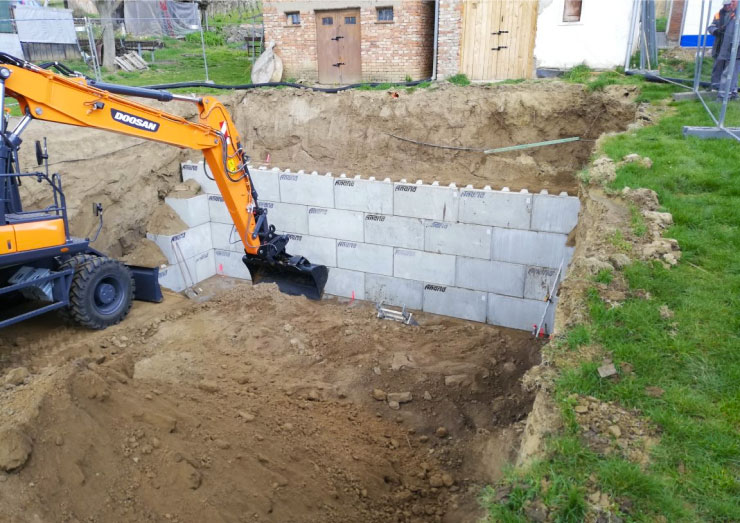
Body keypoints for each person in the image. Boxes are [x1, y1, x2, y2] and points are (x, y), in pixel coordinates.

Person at [708, 0, 737, 90]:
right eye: (726, 5)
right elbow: (711, 26)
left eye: (729, 5)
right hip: (719, 45)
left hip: (731, 47)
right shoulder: (718, 14)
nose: (728, 7)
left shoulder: (736, 15)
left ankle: (730, 89)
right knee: (717, 68)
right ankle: (715, 87)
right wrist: (716, 31)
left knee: (730, 71)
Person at [718, 2, 740, 101]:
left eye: (733, 2)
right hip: (731, 49)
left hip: (735, 49)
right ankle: (732, 93)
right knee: (733, 72)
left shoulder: (737, 15)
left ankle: (723, 96)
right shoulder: (732, 14)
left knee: (728, 72)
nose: (730, 5)